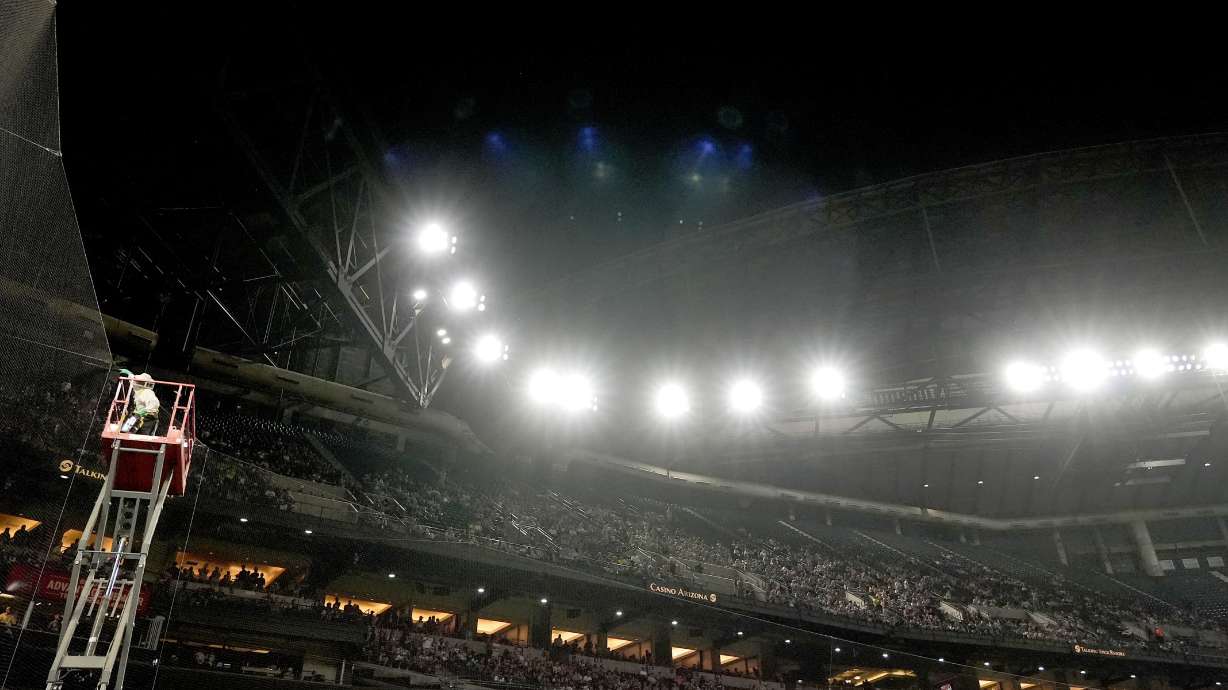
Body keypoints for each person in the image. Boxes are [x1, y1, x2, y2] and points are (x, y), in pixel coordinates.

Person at [118, 370, 159, 435]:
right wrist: (129, 373)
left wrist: (144, 411)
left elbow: (155, 404)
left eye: (139, 381)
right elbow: (132, 379)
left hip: (147, 417)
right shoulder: (138, 390)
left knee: (142, 434)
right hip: (138, 415)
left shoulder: (147, 392)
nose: (135, 382)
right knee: (125, 429)